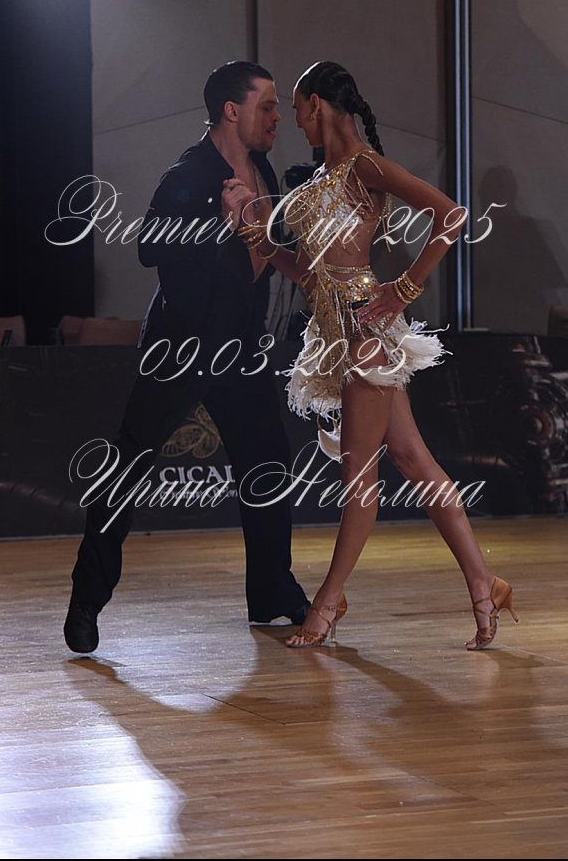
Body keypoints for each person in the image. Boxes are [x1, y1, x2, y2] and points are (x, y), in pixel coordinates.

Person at [222, 61, 519, 651]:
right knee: (411, 458)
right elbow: (310, 275)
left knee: (358, 478)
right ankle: (484, 585)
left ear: (316, 105)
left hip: (367, 333)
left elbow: (451, 216)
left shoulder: (365, 166)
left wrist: (403, 288)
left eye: (295, 108)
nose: (292, 120)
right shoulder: (319, 177)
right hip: (335, 332)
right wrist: (260, 239)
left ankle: (328, 602)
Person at [64, 61, 309, 654]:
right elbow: (149, 247)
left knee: (268, 461)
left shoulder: (263, 170)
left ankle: (271, 591)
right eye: (267, 105)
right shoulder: (187, 173)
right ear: (232, 110)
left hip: (242, 349)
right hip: (181, 348)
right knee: (127, 466)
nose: (278, 117)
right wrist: (218, 225)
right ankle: (86, 601)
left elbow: (264, 254)